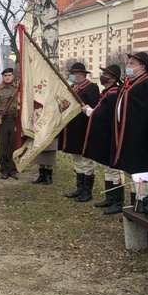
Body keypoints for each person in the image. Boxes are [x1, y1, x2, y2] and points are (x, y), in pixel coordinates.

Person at [109, 52, 148, 213]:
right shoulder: (129, 83)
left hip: (141, 136)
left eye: (131, 63)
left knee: (140, 171)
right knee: (130, 170)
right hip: (125, 133)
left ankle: (141, 206)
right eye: (128, 63)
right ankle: (133, 207)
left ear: (142, 67)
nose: (128, 66)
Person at [82, 64, 126, 214]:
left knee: (114, 170)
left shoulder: (113, 93)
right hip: (105, 136)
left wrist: (89, 112)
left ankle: (118, 200)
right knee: (107, 168)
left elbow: (103, 114)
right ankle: (110, 197)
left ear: (112, 78)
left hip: (112, 135)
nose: (102, 76)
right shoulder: (107, 92)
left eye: (105, 74)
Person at [60, 62, 100, 202]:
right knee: (77, 160)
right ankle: (79, 188)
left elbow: (94, 108)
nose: (71, 76)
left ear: (81, 74)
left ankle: (87, 191)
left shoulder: (91, 88)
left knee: (86, 161)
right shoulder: (72, 88)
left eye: (73, 73)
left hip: (84, 129)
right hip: (72, 130)